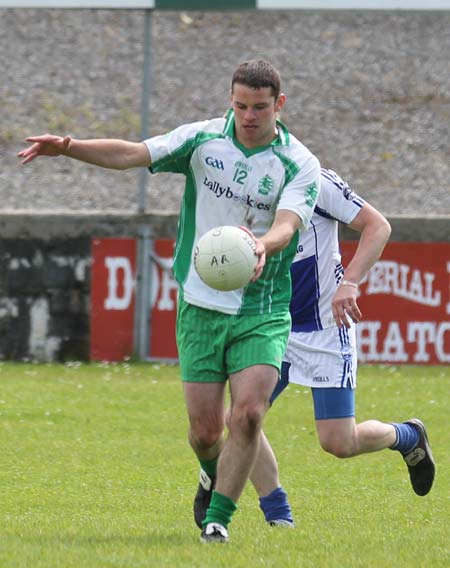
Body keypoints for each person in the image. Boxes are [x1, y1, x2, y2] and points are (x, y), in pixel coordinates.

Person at [18, 59, 321, 543]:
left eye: (259, 107)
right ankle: (211, 471)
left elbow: (288, 223)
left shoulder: (299, 163)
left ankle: (218, 520)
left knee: (248, 413)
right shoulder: (202, 140)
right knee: (205, 431)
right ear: (231, 98)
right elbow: (133, 154)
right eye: (240, 105)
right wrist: (70, 148)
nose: (248, 116)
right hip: (200, 306)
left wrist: (263, 244)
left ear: (279, 105)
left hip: (262, 309)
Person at [195, 167, 436, 529]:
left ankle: (407, 436)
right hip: (272, 325)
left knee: (339, 442)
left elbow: (378, 226)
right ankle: (277, 515)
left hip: (326, 328)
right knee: (241, 418)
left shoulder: (315, 181)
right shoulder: (239, 183)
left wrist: (350, 283)